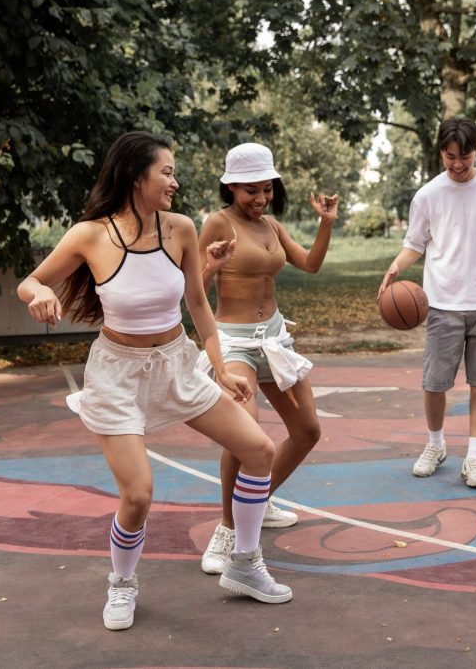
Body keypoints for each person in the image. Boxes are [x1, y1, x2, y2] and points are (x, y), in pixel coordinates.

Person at [18, 132, 293, 631]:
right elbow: (30, 281)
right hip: (117, 374)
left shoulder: (182, 229)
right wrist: (38, 293)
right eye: (166, 172)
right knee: (138, 496)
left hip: (176, 364)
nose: (175, 180)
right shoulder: (90, 234)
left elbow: (198, 306)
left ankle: (245, 563)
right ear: (135, 176)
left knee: (259, 449)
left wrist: (223, 366)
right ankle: (122, 585)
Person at [195, 142, 339, 574]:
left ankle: (256, 502)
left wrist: (326, 223)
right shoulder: (216, 223)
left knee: (307, 431)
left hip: (274, 339)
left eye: (266, 190)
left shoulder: (272, 226)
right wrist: (212, 266)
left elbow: (310, 265)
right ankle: (226, 530)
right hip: (233, 342)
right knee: (246, 434)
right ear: (231, 187)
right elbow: (194, 293)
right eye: (250, 191)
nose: (259, 199)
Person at [379, 118, 476, 489]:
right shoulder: (428, 195)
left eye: (464, 156)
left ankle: (475, 458)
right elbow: (415, 243)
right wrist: (395, 268)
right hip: (442, 303)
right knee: (434, 384)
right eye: (450, 157)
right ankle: (435, 446)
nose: (458, 164)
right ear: (440, 153)